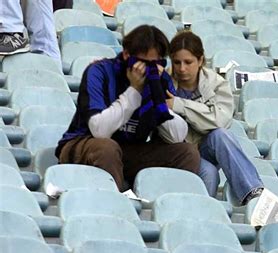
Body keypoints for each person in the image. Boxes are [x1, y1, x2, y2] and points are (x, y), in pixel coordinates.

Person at [55, 25, 200, 191]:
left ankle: (171, 208)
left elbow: (176, 136)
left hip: (130, 149)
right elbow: (99, 130)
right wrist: (134, 91)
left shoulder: (160, 79)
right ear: (126, 55)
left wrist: (156, 93)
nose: (148, 70)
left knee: (187, 152)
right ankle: (113, 206)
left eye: (156, 63)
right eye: (143, 63)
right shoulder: (100, 72)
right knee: (107, 148)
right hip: (84, 144)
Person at [166, 31, 264, 205]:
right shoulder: (162, 82)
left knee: (221, 135)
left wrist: (179, 105)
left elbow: (220, 121)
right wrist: (203, 113)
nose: (182, 68)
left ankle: (254, 196)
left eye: (188, 62)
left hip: (205, 146)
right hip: (175, 151)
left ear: (201, 61)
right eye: (177, 62)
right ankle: (205, 215)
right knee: (209, 173)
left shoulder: (217, 84)